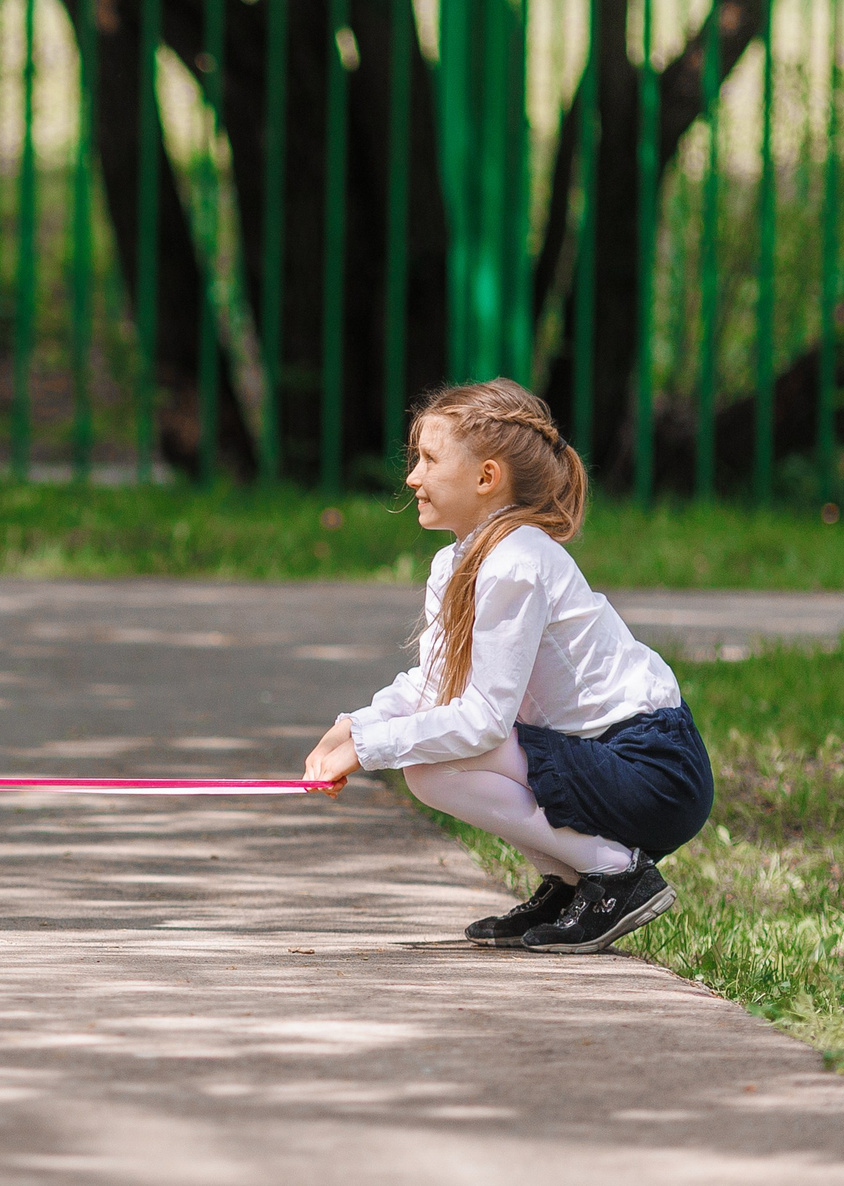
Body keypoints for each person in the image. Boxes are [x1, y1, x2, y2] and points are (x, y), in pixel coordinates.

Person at [302, 379, 713, 953]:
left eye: (428, 460)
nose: (412, 478)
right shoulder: (457, 562)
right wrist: (354, 725)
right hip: (599, 760)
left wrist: (372, 746)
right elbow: (435, 684)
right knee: (429, 760)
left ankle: (616, 873)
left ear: (486, 478)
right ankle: (573, 881)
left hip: (650, 770)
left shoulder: (518, 561)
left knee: (433, 763)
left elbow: (484, 721)